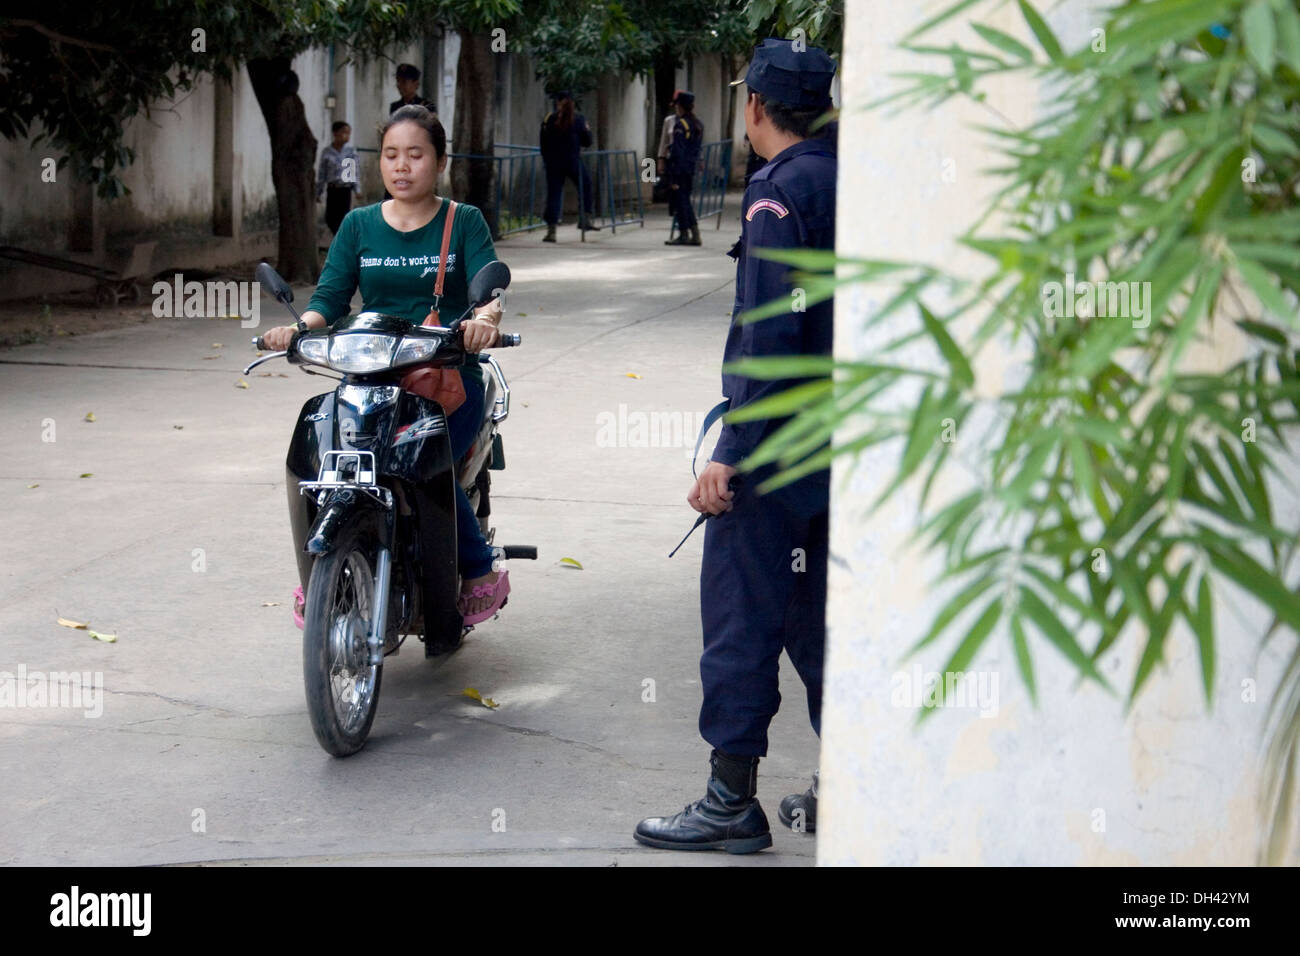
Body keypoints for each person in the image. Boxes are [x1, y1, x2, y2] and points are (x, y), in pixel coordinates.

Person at [633, 38, 838, 854]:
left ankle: (729, 801)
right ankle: (861, 777)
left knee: (742, 616)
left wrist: (732, 452)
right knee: (823, 616)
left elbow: (767, 340)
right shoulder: (859, 181)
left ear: (755, 106)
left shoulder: (776, 194)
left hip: (778, 452)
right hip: (847, 444)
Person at [262, 105, 510, 627]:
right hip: (370, 376)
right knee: (327, 462)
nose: (401, 167)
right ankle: (323, 571)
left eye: (415, 155)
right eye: (392, 156)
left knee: (425, 463)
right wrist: (298, 329)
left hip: (445, 378)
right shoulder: (357, 225)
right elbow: (330, 297)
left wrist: (485, 319)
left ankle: (479, 568)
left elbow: (490, 294)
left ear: (439, 162)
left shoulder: (462, 221)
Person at [539, 91, 600, 242]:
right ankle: (585, 218)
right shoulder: (578, 120)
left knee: (554, 194)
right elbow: (587, 141)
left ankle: (551, 231)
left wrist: (546, 159)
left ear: (558, 103)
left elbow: (543, 142)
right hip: (573, 161)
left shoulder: (549, 119)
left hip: (553, 163)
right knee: (585, 185)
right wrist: (587, 129)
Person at [656, 90, 704, 246]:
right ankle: (694, 234)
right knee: (685, 201)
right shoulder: (697, 124)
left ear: (681, 106)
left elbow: (677, 151)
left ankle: (684, 233)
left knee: (680, 202)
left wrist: (673, 174)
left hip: (679, 169)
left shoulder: (680, 125)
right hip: (689, 167)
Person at [317, 121, 361, 236]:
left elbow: (354, 171)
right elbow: (322, 173)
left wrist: (357, 189)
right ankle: (340, 238)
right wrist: (318, 191)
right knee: (330, 218)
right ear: (335, 133)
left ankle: (342, 241)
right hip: (332, 189)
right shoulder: (327, 152)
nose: (347, 136)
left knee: (344, 218)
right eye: (344, 132)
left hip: (345, 189)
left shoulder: (350, 151)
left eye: (348, 133)